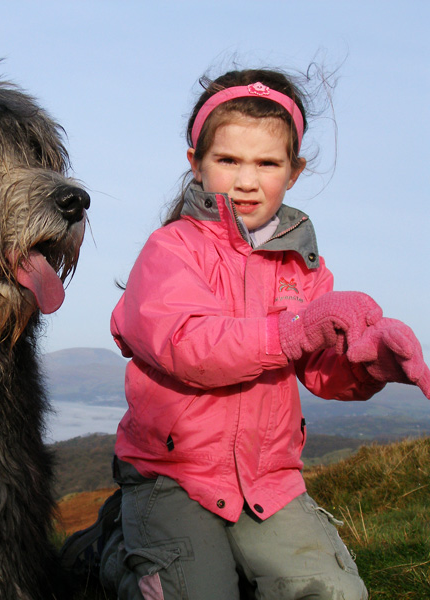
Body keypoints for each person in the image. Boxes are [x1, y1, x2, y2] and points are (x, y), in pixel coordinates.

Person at [61, 68, 430, 600]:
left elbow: (320, 370)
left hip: (267, 477)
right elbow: (190, 347)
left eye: (267, 163)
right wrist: (298, 329)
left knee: (333, 592)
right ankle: (114, 554)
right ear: (196, 163)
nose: (247, 180)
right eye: (228, 160)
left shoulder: (303, 266)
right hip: (172, 475)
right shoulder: (171, 250)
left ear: (294, 171)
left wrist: (371, 362)